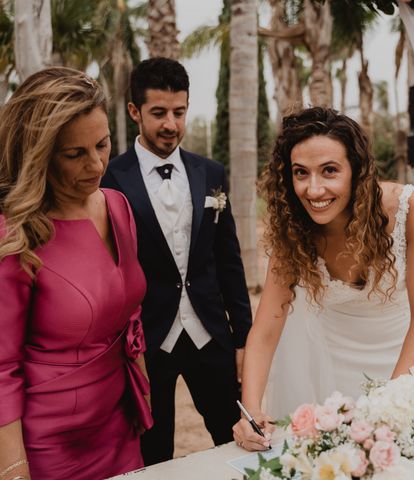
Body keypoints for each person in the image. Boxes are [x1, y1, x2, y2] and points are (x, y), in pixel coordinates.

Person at [233, 107, 414, 451]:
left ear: (356, 171)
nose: (314, 190)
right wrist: (251, 409)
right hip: (323, 366)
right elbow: (266, 330)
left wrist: (390, 403)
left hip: (401, 360)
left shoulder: (408, 209)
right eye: (301, 173)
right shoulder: (292, 230)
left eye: (329, 171)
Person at [0, 67, 151, 479]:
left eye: (102, 145)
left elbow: (129, 311)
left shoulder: (118, 206)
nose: (97, 163)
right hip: (49, 447)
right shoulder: (15, 235)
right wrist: (14, 469)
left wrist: (141, 386)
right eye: (75, 154)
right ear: (40, 153)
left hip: (121, 426)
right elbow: (2, 370)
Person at [101, 57, 252, 464]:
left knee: (235, 438)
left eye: (179, 112)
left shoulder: (210, 172)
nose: (171, 124)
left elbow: (229, 261)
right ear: (135, 112)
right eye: (158, 113)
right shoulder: (109, 179)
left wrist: (243, 337)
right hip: (147, 343)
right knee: (154, 453)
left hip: (211, 335)